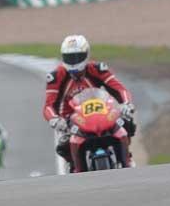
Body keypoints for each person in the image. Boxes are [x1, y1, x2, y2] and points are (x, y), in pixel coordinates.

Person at [42, 35, 136, 170]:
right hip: (71, 118)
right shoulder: (56, 76)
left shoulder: (97, 68)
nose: (73, 62)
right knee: (63, 145)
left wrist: (126, 104)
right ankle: (74, 167)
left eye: (77, 56)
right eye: (69, 57)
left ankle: (127, 157)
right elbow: (48, 105)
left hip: (102, 112)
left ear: (86, 54)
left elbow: (119, 89)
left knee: (127, 122)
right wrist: (55, 120)